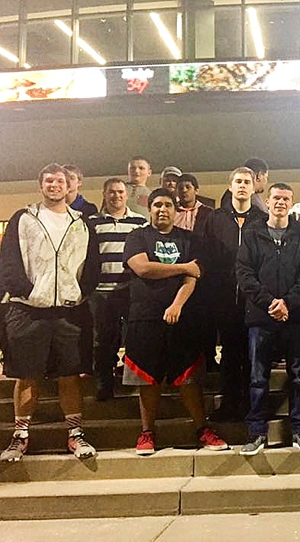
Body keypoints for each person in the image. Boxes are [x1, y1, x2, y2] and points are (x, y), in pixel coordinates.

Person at [0, 163, 100, 462]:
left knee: (70, 375)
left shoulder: (82, 222)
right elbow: (8, 261)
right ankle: (20, 436)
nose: (54, 185)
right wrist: (27, 292)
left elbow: (92, 264)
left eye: (60, 181)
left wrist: (80, 291)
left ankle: (75, 434)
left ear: (70, 186)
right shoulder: (23, 218)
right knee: (26, 375)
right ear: (40, 185)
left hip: (69, 312)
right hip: (28, 311)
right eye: (49, 181)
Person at [122, 188, 228, 455]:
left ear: (175, 210)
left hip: (183, 319)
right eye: (157, 204)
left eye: (168, 205)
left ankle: (202, 429)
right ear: (149, 209)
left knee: (189, 379)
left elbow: (192, 278)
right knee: (148, 379)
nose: (162, 209)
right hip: (145, 316)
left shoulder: (190, 239)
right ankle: (147, 433)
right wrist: (182, 267)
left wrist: (177, 304)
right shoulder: (137, 237)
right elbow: (143, 268)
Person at [236, 183, 300, 455]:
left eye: (285, 199)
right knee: (258, 378)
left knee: (299, 377)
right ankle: (257, 433)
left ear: (291, 204)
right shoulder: (251, 233)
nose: (280, 203)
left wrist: (287, 303)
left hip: (296, 318)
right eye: (276, 198)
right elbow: (244, 274)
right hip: (261, 317)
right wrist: (270, 303)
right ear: (268, 202)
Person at [203, 167, 267, 421]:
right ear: (230, 187)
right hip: (224, 297)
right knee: (229, 352)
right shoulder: (215, 219)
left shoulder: (262, 219)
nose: (242, 186)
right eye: (238, 181)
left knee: (253, 354)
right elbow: (206, 255)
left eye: (246, 182)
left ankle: (253, 406)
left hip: (254, 299)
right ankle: (229, 404)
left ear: (253, 187)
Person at [88, 178, 147, 401]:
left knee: (135, 337)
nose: (116, 196)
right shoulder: (92, 223)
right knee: (103, 340)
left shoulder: (139, 222)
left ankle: (133, 380)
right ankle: (104, 384)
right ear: (104, 194)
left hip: (130, 289)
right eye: (112, 192)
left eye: (120, 192)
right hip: (101, 291)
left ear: (126, 195)